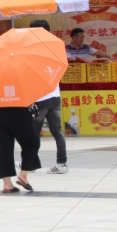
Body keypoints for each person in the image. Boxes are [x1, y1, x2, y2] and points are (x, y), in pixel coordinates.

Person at [30, 19, 68, 174]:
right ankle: (62, 163)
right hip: (54, 94)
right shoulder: (57, 46)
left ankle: (30, 163)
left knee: (33, 131)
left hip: (40, 97)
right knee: (57, 131)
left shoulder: (35, 49)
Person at [0, 91, 41, 193]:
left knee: (4, 149)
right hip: (19, 112)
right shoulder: (21, 79)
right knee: (32, 143)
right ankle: (23, 175)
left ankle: (7, 184)